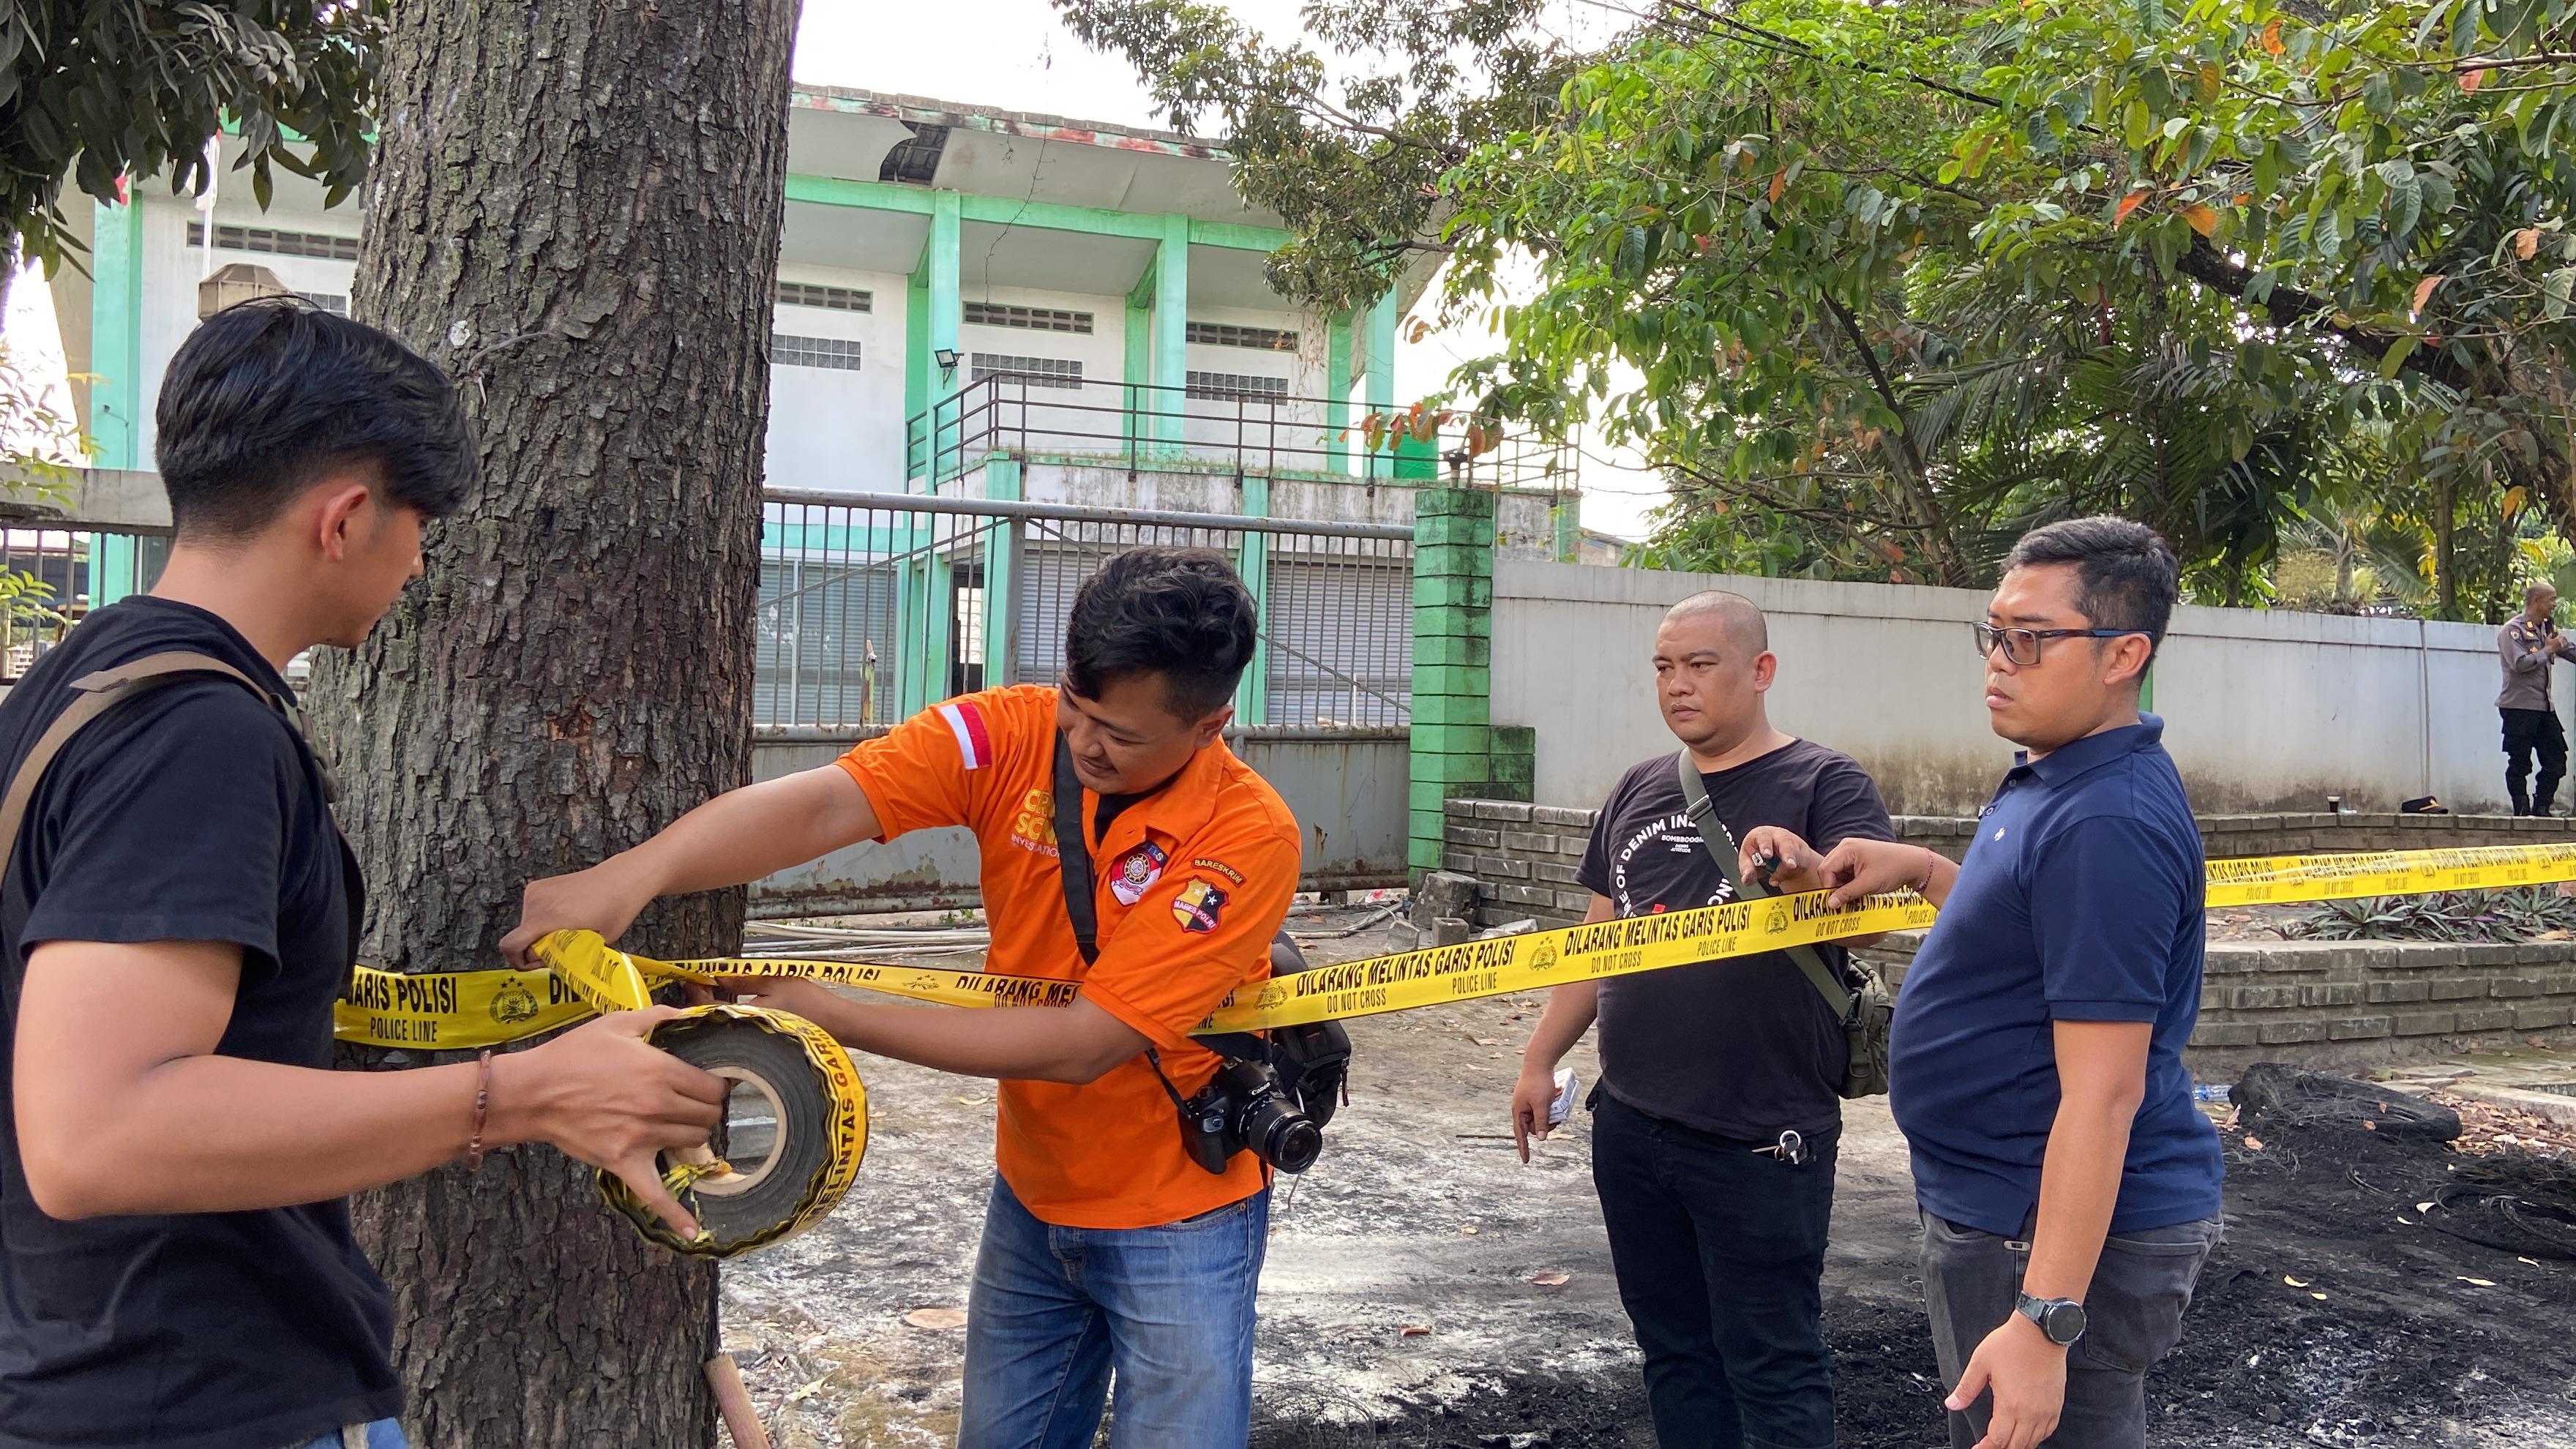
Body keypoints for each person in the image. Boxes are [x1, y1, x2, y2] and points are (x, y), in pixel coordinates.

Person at [0, 299, 724, 1449]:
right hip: (187, 1397)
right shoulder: (200, 736)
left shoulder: (84, 677)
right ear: (345, 519)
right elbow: (96, 1132)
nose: (421, 557)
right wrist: (527, 1095)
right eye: (420, 520)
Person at [501, 546, 1301, 1448]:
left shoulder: (1244, 837)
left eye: (1121, 736)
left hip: (1180, 1218)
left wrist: (833, 1011)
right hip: (1034, 1199)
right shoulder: (1009, 735)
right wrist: (632, 877)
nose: (1083, 744)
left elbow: (1086, 1042)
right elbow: (821, 807)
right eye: (1077, 705)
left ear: (1210, 724)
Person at [1770, 516, 2225, 1449]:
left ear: (2122, 654)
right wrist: (1923, 871)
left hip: (2043, 1235)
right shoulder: (2055, 776)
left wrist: (2045, 1320)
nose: (1998, 660)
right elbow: (2032, 937)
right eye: (1993, 632)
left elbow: (2102, 1094)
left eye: (2032, 638)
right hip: (2006, 1204)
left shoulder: (2106, 822)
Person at [1508, 591, 1894, 1449]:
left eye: (1699, 665)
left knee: (1773, 1362)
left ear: (1759, 672)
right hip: (1635, 1125)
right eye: (1663, 667)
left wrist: (1801, 873)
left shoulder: (1823, 782)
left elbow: (1873, 914)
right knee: (1674, 1354)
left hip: (1760, 1137)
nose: (1677, 685)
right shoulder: (1640, 788)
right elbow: (1599, 940)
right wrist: (1539, 1060)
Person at [2498, 582, 2576, 816]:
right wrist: (2548, 650)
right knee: (2520, 762)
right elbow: (2520, 664)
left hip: (2544, 708)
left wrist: (2554, 646)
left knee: (2556, 760)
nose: (2554, 604)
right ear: (2536, 601)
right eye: (2551, 599)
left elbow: (2569, 650)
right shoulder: (2513, 631)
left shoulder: (2546, 631)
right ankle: (2521, 811)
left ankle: (2542, 807)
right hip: (2519, 706)